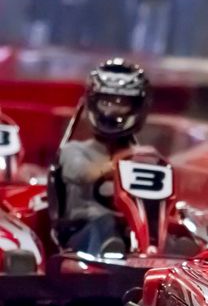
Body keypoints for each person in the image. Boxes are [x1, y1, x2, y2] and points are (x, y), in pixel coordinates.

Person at [58, 58, 151, 255]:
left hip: (132, 233)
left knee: (174, 232)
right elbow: (81, 173)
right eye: (106, 102)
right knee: (106, 225)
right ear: (93, 104)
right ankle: (110, 256)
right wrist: (117, 167)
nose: (112, 111)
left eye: (121, 103)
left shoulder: (145, 158)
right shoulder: (74, 150)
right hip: (82, 233)